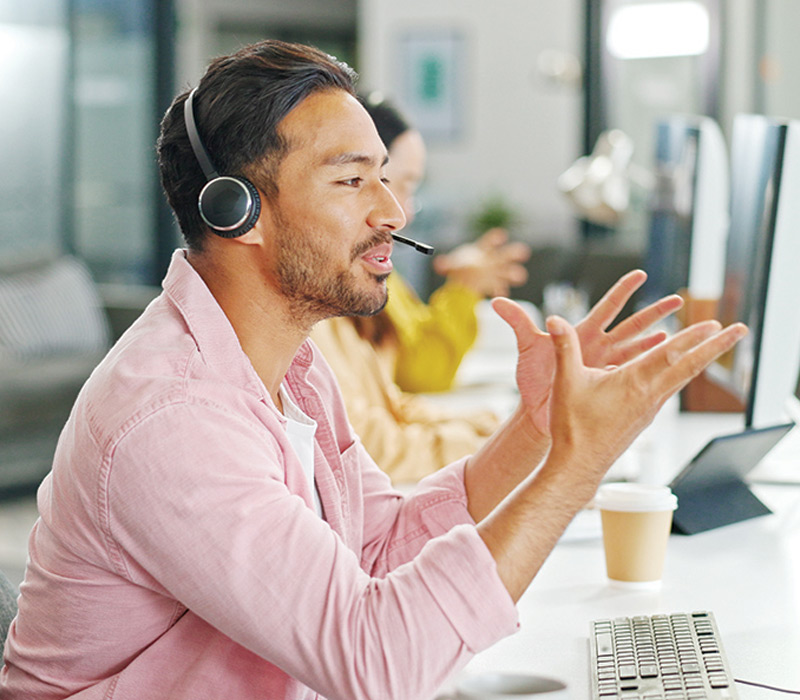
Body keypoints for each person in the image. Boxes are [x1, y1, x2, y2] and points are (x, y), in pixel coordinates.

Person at [0, 40, 746, 700]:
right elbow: (376, 664)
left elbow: (379, 544)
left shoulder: (290, 366)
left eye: (385, 178)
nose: (392, 210)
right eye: (353, 181)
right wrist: (576, 466)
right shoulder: (173, 418)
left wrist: (542, 429)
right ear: (237, 213)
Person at [310, 96, 528, 481]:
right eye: (402, 185)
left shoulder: (357, 281)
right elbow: (415, 382)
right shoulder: (308, 311)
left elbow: (393, 403)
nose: (400, 213)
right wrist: (503, 445)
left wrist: (494, 427)